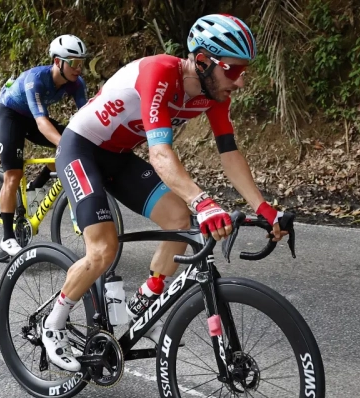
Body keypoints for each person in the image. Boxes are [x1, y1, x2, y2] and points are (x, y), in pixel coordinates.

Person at [42, 14, 287, 371]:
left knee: (178, 220)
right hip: (80, 149)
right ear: (203, 61)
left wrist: (265, 208)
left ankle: (139, 305)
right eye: (234, 70)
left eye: (244, 71)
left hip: (118, 155)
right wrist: (203, 201)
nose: (241, 82)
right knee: (104, 249)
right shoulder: (160, 73)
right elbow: (159, 153)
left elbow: (229, 154)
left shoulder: (213, 93)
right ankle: (54, 324)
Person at [0, 34, 89, 256]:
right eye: (74, 63)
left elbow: (85, 116)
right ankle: (7, 237)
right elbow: (42, 122)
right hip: (11, 116)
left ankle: (37, 184)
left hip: (34, 118)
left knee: (73, 142)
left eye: (82, 63)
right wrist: (63, 144)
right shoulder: (35, 79)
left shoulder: (77, 84)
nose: (79, 69)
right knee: (13, 175)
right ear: (58, 62)